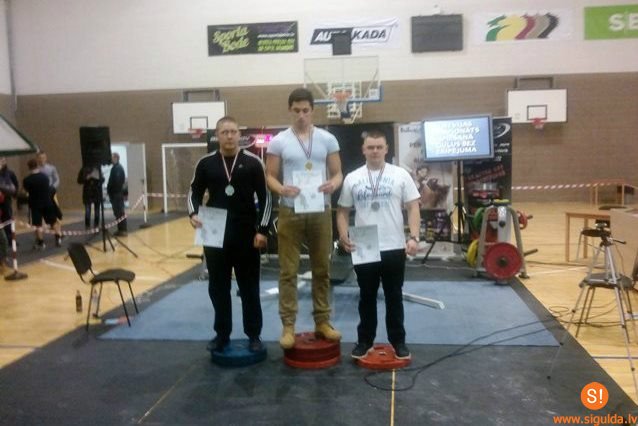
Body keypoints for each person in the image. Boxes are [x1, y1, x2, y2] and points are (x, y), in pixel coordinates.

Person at [265, 87, 343, 349]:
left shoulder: (327, 139)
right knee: (288, 271)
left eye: (305, 110)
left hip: (320, 209)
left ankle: (322, 321)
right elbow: (270, 176)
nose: (301, 115)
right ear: (290, 110)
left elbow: (338, 173)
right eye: (297, 110)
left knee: (322, 268)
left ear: (313, 111)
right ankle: (288, 325)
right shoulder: (279, 141)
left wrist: (333, 184)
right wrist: (281, 189)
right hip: (290, 210)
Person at [188, 116, 272, 353]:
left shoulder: (253, 162)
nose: (229, 136)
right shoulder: (206, 163)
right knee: (218, 287)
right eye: (224, 132)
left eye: (233, 131)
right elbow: (193, 192)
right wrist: (192, 213)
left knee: (249, 287)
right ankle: (221, 334)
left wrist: (263, 230)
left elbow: (266, 198)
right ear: (217, 135)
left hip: (246, 234)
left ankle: (253, 335)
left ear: (239, 135)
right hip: (214, 234)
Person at [336, 130, 421, 360]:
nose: (375, 151)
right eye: (370, 147)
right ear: (363, 150)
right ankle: (365, 341)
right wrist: (343, 235)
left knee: (394, 296)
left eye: (379, 147)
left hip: (394, 245)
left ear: (386, 149)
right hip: (365, 246)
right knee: (366, 296)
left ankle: (398, 341)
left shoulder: (400, 175)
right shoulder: (352, 177)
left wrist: (414, 237)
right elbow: (342, 211)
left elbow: (413, 207)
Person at [22, 158, 62, 249]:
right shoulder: (45, 177)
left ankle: (41, 242)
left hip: (35, 205)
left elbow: (25, 192)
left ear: (29, 167)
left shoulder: (27, 180)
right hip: (47, 203)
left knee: (37, 224)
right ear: (37, 166)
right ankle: (58, 238)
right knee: (53, 221)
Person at [36, 151, 63, 221]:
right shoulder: (36, 169)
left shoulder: (51, 168)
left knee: (51, 203)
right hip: (40, 192)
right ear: (37, 159)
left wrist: (53, 187)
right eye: (40, 158)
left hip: (50, 190)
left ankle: (56, 217)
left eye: (43, 158)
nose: (41, 160)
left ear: (46, 158)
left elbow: (57, 179)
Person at [107, 153, 127, 236]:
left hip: (117, 194)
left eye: (112, 158)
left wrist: (112, 191)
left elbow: (117, 182)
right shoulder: (114, 168)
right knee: (117, 213)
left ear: (116, 158)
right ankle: (120, 229)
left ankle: (123, 230)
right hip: (115, 194)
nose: (111, 159)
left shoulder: (118, 168)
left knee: (120, 212)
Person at [77, 165, 103, 229]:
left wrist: (99, 178)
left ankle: (96, 225)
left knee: (97, 210)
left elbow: (102, 179)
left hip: (96, 192)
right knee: (88, 210)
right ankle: (87, 225)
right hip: (87, 192)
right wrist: (86, 178)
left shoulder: (97, 168)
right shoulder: (84, 168)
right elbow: (79, 180)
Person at [0, 157, 18, 243]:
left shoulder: (10, 173)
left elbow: (15, 184)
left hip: (6, 199)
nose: (1, 162)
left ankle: (10, 239)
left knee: (7, 218)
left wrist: (14, 195)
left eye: (3, 160)